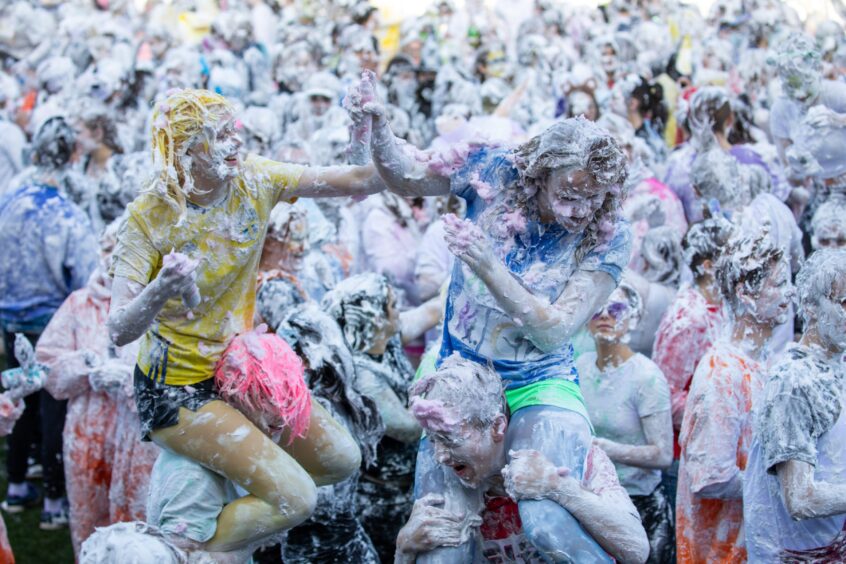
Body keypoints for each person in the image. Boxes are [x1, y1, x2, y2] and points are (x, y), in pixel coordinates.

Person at [349, 70, 632, 561]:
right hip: (462, 375)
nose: (581, 210)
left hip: (540, 379)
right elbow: (407, 174)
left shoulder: (608, 233)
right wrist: (380, 130)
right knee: (445, 543)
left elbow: (554, 330)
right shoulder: (496, 170)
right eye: (569, 193)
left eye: (595, 197)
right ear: (539, 175)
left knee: (548, 526)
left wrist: (486, 263)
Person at [107, 88, 389, 551]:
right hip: (175, 391)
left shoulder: (254, 178)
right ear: (185, 151)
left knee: (341, 458)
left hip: (239, 377)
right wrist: (161, 289)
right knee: (295, 500)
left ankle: (232, 506)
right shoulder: (149, 216)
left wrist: (367, 130)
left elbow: (361, 178)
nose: (235, 143)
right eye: (218, 136)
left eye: (233, 130)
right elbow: (118, 328)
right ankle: (193, 555)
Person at [396, 353, 649, 563]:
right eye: (433, 441)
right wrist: (404, 547)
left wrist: (561, 489)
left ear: (497, 427)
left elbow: (636, 550)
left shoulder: (563, 458)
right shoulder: (449, 488)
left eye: (451, 440)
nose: (440, 456)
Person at [36, 220, 158, 555]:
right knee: (89, 521)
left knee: (138, 524)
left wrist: (130, 380)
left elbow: (174, 381)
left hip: (138, 439)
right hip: (86, 436)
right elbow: (46, 363)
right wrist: (85, 367)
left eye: (125, 248)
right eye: (107, 248)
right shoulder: (79, 304)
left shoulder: (159, 307)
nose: (114, 256)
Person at [0, 115, 99, 526]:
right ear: (74, 154)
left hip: (11, 319)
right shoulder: (67, 214)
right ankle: (55, 502)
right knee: (54, 409)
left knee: (17, 397)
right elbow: (85, 278)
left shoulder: (10, 200)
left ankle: (17, 485)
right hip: (54, 323)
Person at [676, 230, 794, 563]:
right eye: (778, 284)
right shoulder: (722, 373)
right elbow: (711, 478)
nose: (790, 292)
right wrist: (790, 487)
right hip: (722, 553)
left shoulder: (764, 362)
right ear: (745, 292)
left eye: (788, 281)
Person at [743, 248, 846, 561]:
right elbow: (800, 498)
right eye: (843, 302)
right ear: (812, 307)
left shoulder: (836, 365)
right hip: (795, 554)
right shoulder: (793, 382)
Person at [578, 283, 674, 563]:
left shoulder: (647, 377)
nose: (606, 316)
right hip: (595, 502)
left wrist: (608, 449)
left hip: (641, 505)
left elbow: (664, 455)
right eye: (597, 310)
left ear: (632, 319)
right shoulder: (580, 368)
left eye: (616, 309)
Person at [652, 218, 733, 477]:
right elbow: (665, 393)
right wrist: (719, 412)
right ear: (709, 266)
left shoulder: (723, 304)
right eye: (734, 253)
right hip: (687, 457)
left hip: (715, 445)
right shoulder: (689, 318)